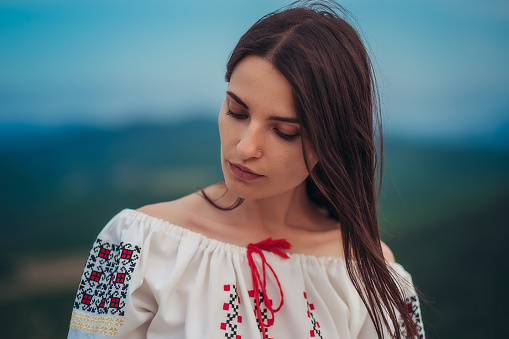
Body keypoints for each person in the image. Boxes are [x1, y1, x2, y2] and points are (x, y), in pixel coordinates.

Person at [67, 1, 425, 338]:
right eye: (237, 112)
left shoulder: (373, 276)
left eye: (285, 131)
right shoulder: (129, 244)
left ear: (331, 142)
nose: (245, 147)